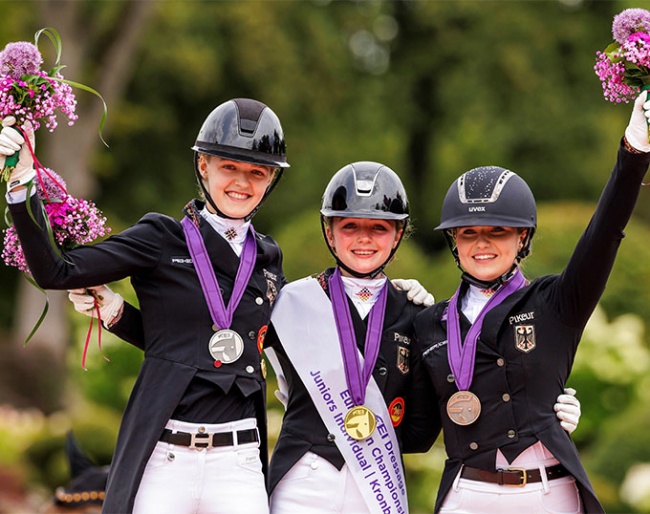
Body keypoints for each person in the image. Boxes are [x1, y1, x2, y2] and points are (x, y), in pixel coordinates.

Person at [66, 162, 581, 514]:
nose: (362, 238)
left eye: (378, 228)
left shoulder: (419, 315)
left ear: (398, 235)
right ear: (329, 232)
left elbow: (439, 410)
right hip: (300, 483)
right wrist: (116, 313)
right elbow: (207, 348)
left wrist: (547, 407)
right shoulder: (291, 302)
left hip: (375, 485)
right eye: (349, 225)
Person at [1, 98, 291, 514]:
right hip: (166, 457)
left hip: (238, 460)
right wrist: (22, 182)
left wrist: (396, 298)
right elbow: (57, 272)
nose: (242, 182)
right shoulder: (160, 237)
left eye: (257, 173)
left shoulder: (267, 258)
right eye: (229, 167)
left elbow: (217, 347)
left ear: (269, 182)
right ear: (204, 166)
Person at [407, 92, 650, 513]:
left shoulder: (557, 302)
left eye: (497, 231)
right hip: (468, 496)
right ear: (453, 241)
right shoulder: (429, 323)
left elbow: (605, 232)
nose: (481, 243)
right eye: (467, 232)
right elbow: (413, 427)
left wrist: (634, 149)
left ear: (522, 238)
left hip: (546, 494)